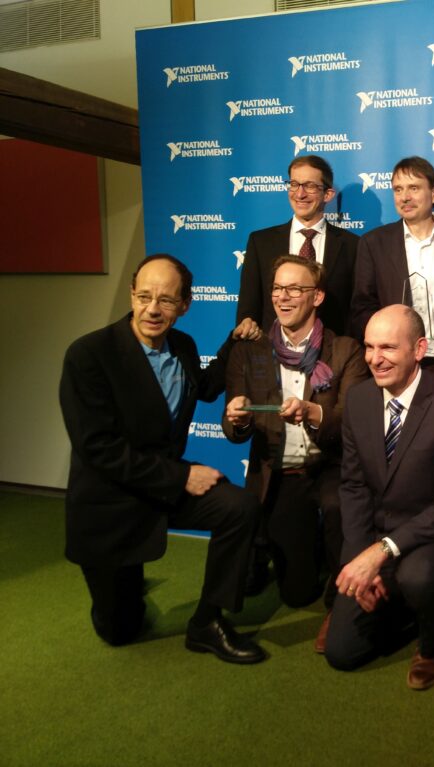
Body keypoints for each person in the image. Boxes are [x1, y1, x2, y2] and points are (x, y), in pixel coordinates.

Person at [59, 254, 266, 663]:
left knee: (239, 507)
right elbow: (99, 448)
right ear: (132, 295)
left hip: (162, 489)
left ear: (184, 305)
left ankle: (208, 621)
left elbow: (206, 387)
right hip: (111, 506)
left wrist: (234, 341)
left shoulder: (183, 346)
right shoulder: (89, 355)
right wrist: (180, 477)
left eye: (167, 301)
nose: (153, 309)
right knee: (121, 629)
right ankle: (124, 589)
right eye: (144, 296)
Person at [324, 305, 434, 691]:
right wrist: (362, 559)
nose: (375, 359)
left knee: (417, 576)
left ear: (419, 349)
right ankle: (400, 609)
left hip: (430, 541)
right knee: (341, 655)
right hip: (377, 539)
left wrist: (384, 551)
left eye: (388, 348)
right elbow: (354, 487)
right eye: (369, 347)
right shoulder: (359, 400)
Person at [223, 255, 368, 645]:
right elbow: (233, 430)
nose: (282, 298)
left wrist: (312, 412)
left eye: (294, 289)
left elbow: (349, 423)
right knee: (296, 592)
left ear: (317, 296)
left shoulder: (344, 350)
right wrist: (237, 420)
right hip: (281, 473)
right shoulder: (249, 351)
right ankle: (310, 556)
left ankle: (342, 596)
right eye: (277, 289)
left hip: (330, 466)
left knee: (340, 506)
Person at [350, 156, 434, 394]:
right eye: (398, 189)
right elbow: (362, 306)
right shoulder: (374, 243)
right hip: (397, 367)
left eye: (414, 188)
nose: (405, 197)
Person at [237, 154, 359, 336]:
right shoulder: (261, 242)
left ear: (328, 194)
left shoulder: (353, 245)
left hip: (333, 355)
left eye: (309, 186)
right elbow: (248, 309)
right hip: (273, 354)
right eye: (294, 184)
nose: (300, 194)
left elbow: (356, 310)